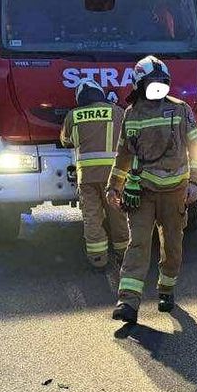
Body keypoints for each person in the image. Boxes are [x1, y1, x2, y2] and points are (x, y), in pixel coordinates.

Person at [107, 56, 197, 324]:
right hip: (142, 191)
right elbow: (123, 155)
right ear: (140, 85)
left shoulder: (181, 110)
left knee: (172, 246)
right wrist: (113, 186)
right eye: (153, 83)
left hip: (176, 192)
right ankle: (127, 301)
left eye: (162, 83)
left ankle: (166, 289)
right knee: (137, 243)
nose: (158, 87)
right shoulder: (131, 114)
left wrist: (195, 183)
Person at [60, 78, 129, 269]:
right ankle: (124, 255)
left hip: (87, 176)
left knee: (92, 217)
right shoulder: (117, 111)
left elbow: (66, 140)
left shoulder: (73, 115)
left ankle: (98, 260)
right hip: (114, 176)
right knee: (118, 215)